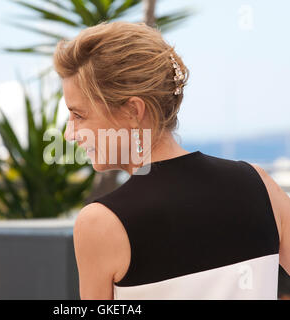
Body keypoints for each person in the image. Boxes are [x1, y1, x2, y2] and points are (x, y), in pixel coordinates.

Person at [53, 21, 289, 300]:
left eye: (78, 115)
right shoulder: (259, 184)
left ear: (132, 111)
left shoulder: (101, 223)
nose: (69, 133)